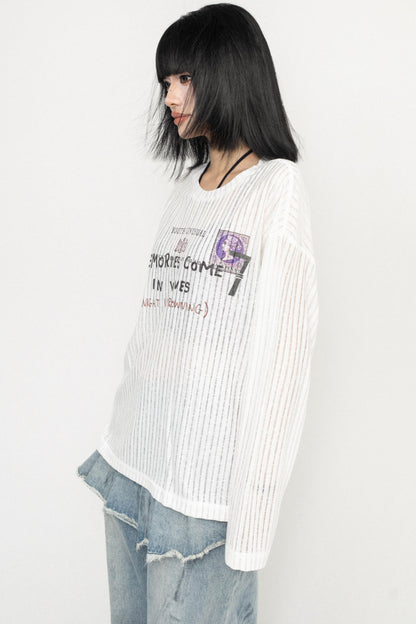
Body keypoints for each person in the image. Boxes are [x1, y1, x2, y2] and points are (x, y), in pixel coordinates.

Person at [77, 3, 319, 623]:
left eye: (184, 78)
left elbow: (282, 365)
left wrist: (252, 522)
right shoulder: (185, 191)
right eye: (166, 81)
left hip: (203, 494)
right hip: (135, 463)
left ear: (230, 72)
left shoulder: (275, 190)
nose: (170, 97)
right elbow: (155, 327)